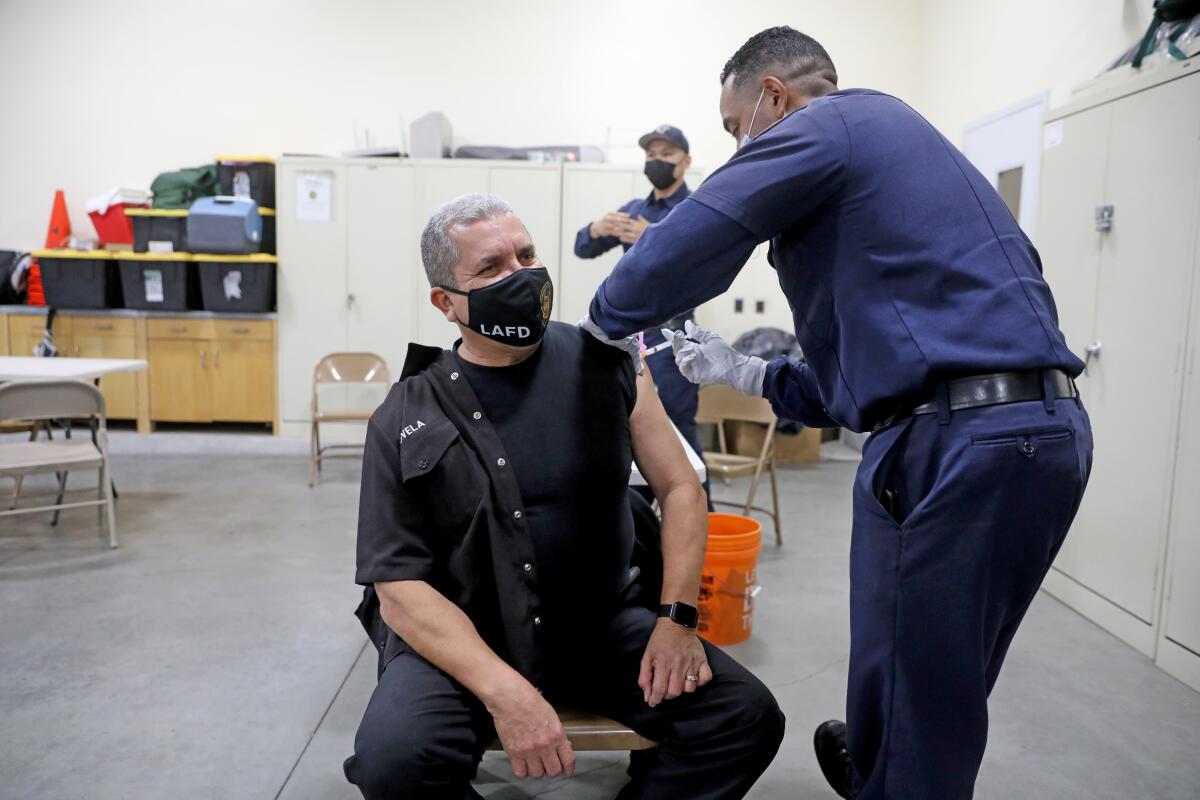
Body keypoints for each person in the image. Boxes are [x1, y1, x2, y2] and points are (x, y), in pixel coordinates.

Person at [581, 26, 1094, 800]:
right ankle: (876, 768)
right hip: (1023, 430)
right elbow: (876, 367)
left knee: (927, 694)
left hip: (962, 441)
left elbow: (713, 224)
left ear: (774, 97)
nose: (738, 146)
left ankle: (895, 775)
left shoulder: (833, 121)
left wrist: (601, 324)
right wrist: (754, 372)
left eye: (734, 127)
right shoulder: (894, 160)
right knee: (923, 666)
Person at [345, 193, 784, 800]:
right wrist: (506, 692)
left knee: (742, 717)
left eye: (526, 254)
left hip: (597, 625)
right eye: (491, 268)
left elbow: (681, 485)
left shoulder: (609, 364)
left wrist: (677, 618)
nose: (520, 275)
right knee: (394, 761)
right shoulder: (408, 412)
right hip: (465, 641)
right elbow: (398, 590)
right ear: (445, 302)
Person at [573, 125, 709, 503]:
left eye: (666, 154)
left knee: (681, 433)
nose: (657, 161)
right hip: (629, 342)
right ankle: (639, 522)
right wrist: (595, 228)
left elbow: (702, 265)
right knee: (626, 430)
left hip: (674, 344)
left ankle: (705, 526)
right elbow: (582, 248)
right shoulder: (634, 210)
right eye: (651, 154)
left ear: (686, 161)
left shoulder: (697, 209)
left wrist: (656, 237)